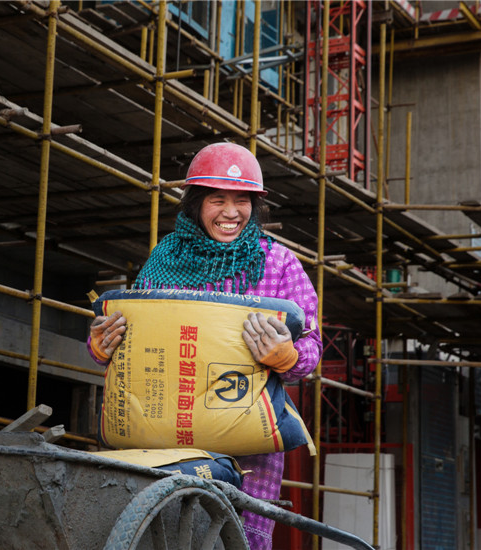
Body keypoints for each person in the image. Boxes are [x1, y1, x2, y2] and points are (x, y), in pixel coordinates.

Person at [88, 142, 323, 550]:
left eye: (242, 201)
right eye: (217, 200)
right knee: (162, 536)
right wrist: (101, 346)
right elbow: (132, 348)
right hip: (166, 442)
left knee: (237, 540)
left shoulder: (279, 264)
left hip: (248, 453)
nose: (231, 213)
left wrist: (289, 356)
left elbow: (312, 349)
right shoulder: (165, 259)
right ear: (196, 204)